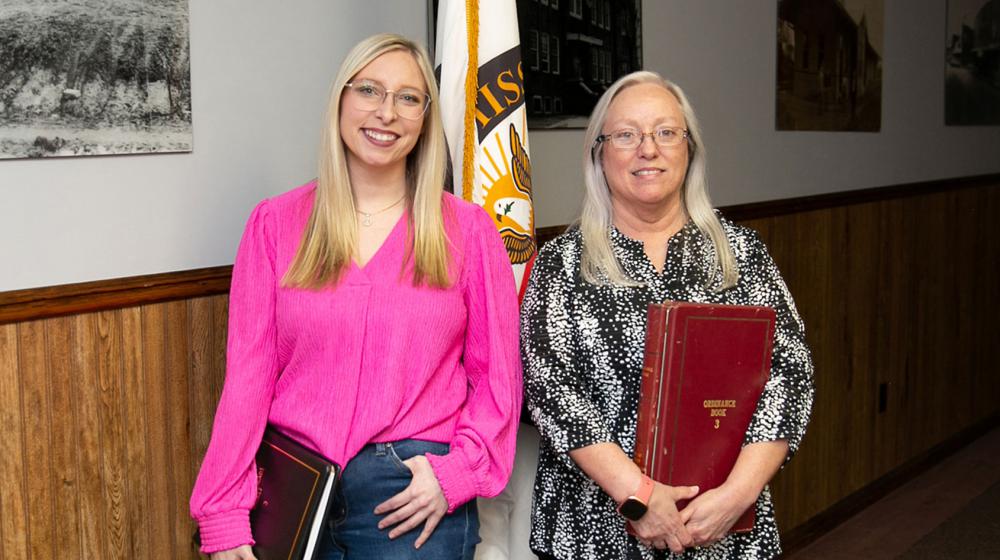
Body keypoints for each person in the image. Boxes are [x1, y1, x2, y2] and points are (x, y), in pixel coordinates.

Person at [190, 33, 522, 560]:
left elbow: (497, 377)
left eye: (408, 98)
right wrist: (224, 512)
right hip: (295, 490)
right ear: (341, 101)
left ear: (426, 118)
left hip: (413, 496)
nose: (386, 112)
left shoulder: (469, 232)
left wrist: (457, 472)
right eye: (369, 90)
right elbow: (247, 380)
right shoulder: (274, 226)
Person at [520, 70, 815, 560]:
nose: (647, 149)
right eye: (626, 135)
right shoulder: (562, 263)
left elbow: (790, 378)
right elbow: (551, 393)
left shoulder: (741, 254)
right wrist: (639, 496)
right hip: (594, 534)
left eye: (665, 132)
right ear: (599, 152)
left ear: (689, 148)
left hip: (723, 526)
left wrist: (738, 496)